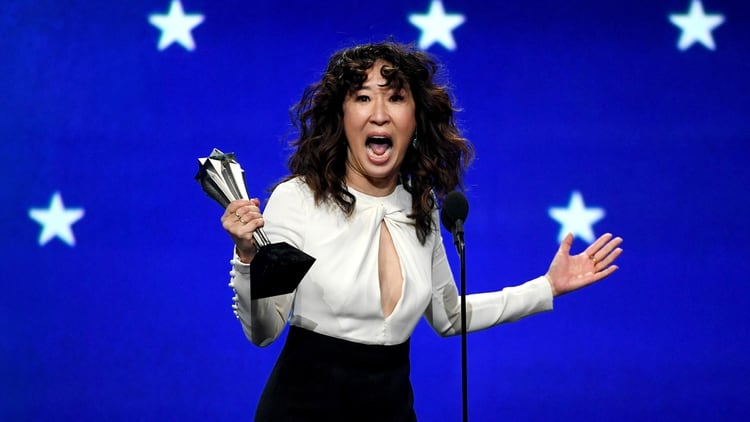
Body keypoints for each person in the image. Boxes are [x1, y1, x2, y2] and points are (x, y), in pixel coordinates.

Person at [221, 41, 623, 421]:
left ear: (415, 120)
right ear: (342, 118)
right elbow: (265, 332)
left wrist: (545, 287)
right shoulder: (301, 200)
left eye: (395, 98)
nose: (380, 113)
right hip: (303, 410)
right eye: (362, 97)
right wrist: (248, 259)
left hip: (392, 409)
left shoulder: (421, 205)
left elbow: (448, 316)